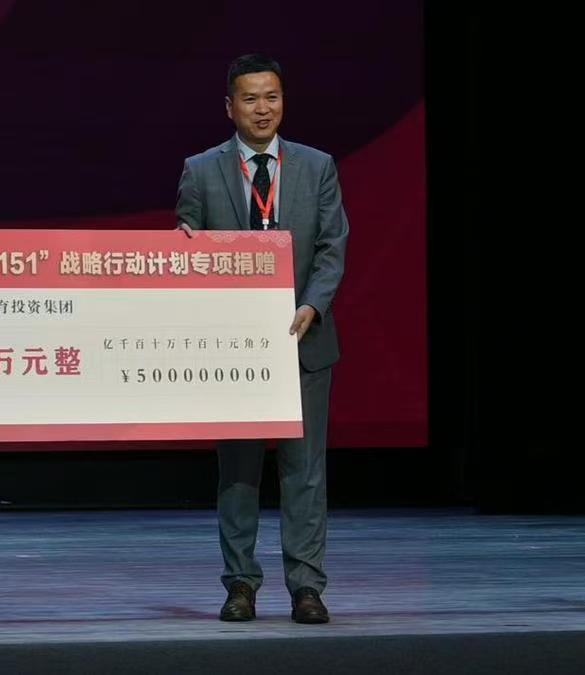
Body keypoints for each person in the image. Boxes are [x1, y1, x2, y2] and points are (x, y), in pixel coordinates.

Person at [175, 53, 349, 624]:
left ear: (283, 101)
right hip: (235, 350)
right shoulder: (200, 170)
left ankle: (307, 588)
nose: (262, 108)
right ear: (230, 107)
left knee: (305, 473)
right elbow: (188, 252)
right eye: (250, 99)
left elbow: (331, 247)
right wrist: (183, 248)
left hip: (303, 342)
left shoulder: (317, 166)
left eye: (271, 97)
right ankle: (241, 586)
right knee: (238, 473)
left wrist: (311, 305)